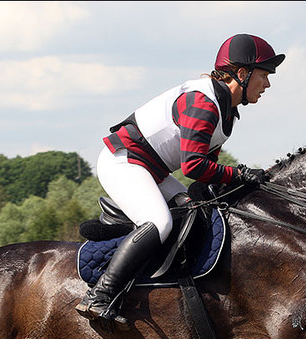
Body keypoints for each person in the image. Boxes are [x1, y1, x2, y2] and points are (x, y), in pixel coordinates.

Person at [76, 34, 285, 324]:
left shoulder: (227, 112)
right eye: (264, 75)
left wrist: (237, 185)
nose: (268, 84)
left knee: (191, 207)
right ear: (242, 73)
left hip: (151, 169)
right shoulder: (205, 102)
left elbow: (204, 177)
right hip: (122, 161)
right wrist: (239, 173)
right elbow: (193, 166)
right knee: (160, 222)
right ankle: (100, 296)